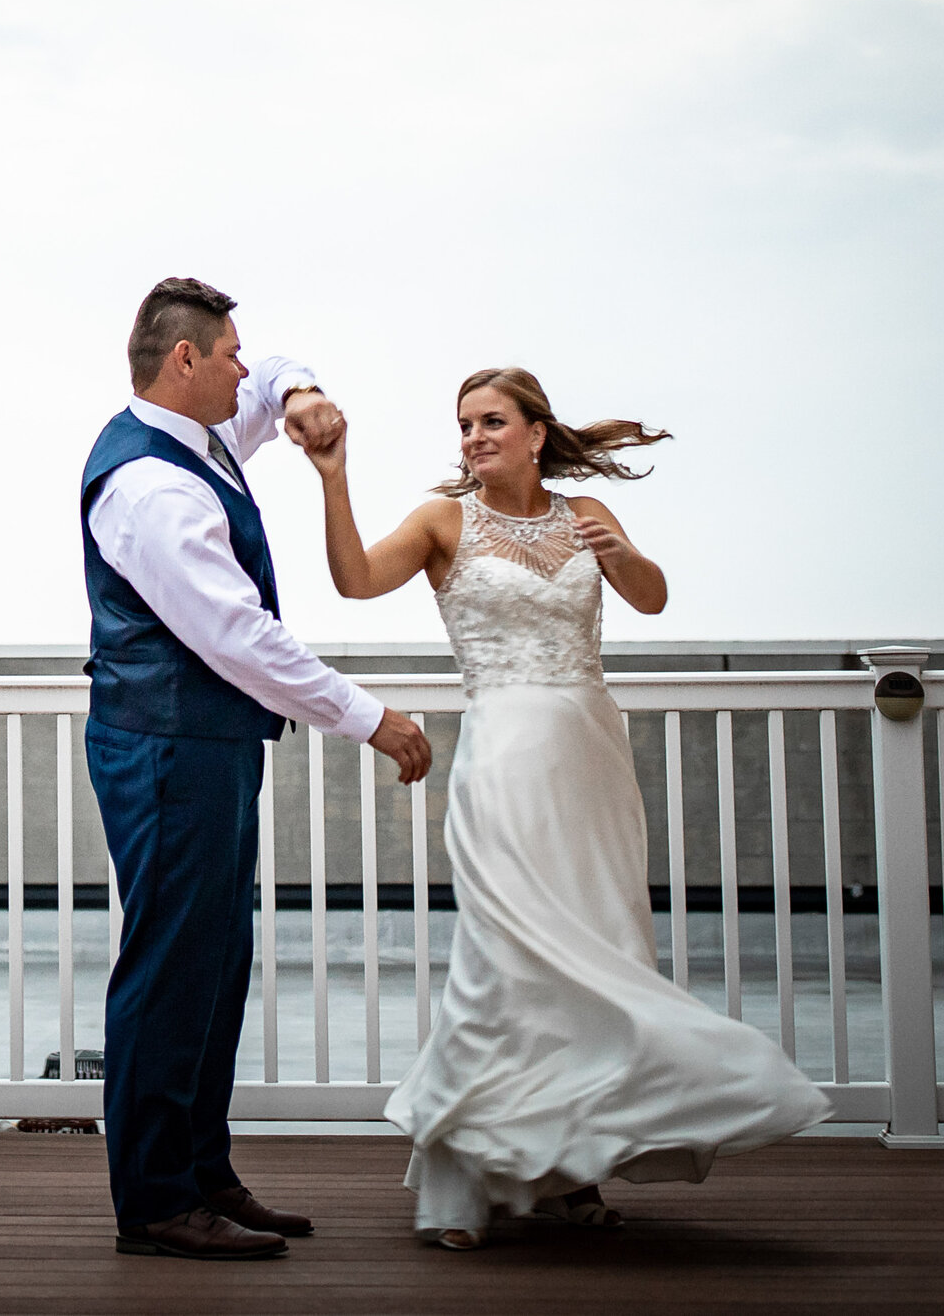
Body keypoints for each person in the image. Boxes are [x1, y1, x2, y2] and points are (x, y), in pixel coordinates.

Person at [305, 366, 830, 1249]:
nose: (473, 437)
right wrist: (333, 476)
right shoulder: (445, 521)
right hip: (505, 761)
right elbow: (356, 580)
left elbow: (652, 597)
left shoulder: (585, 517)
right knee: (505, 965)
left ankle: (569, 1174)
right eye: (464, 424)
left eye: (492, 422)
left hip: (592, 760)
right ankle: (466, 1179)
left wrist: (623, 556)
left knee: (600, 959)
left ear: (537, 432)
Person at [81, 277, 434, 1261]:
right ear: (185, 359)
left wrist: (301, 394)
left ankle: (201, 1169)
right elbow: (237, 637)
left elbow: (277, 374)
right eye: (230, 352)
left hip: (208, 742)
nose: (246, 364)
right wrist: (367, 716)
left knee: (216, 959)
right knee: (170, 964)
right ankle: (153, 1197)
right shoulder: (151, 486)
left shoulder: (202, 435)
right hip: (164, 746)